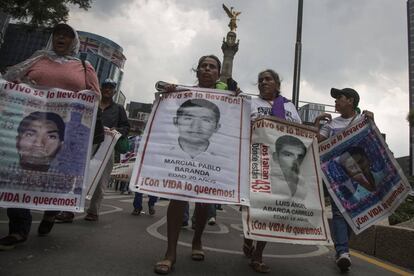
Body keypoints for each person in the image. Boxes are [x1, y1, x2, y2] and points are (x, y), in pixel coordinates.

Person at [0, 23, 100, 250]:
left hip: (63, 130)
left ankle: (50, 212)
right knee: (20, 174)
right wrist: (17, 86)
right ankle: (18, 230)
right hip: (32, 124)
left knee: (57, 173)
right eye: (57, 34)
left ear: (73, 41)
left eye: (66, 35)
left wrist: (80, 96)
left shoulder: (84, 66)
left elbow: (95, 97)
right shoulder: (36, 59)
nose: (61, 38)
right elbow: (11, 79)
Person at [154, 55, 226, 274]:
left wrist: (238, 98)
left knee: (204, 204)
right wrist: (171, 93)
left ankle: (197, 240)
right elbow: (160, 91)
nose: (207, 69)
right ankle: (170, 253)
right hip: (180, 157)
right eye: (203, 66)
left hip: (209, 157)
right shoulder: (182, 93)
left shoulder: (229, 99)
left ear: (218, 73)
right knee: (177, 200)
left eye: (212, 67)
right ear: (197, 71)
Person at [243, 69, 302, 274]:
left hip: (280, 165)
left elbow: (299, 133)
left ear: (277, 84)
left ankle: (258, 254)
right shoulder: (250, 103)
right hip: (256, 161)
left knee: (271, 209)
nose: (263, 82)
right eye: (260, 80)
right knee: (254, 206)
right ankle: (249, 236)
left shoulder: (289, 106)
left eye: (268, 79)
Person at [315, 87, 374, 272]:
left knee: (351, 213)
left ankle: (342, 249)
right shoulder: (331, 125)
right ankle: (343, 252)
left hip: (360, 177)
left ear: (350, 100)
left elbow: (373, 141)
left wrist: (373, 121)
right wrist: (317, 123)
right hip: (337, 177)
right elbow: (317, 141)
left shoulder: (363, 120)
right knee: (340, 212)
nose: (335, 102)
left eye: (339, 98)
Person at [82, 78, 130, 221]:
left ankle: (93, 211)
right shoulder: (93, 103)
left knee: (101, 180)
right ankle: (71, 208)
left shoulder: (119, 109)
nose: (108, 89)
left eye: (111, 87)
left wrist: (118, 130)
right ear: (101, 89)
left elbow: (127, 127)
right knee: (80, 176)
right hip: (87, 143)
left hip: (107, 147)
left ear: (114, 91)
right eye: (105, 87)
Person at [272, 135, 307, 200]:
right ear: (275, 157)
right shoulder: (268, 185)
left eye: (300, 157)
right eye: (288, 155)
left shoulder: (305, 187)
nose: (295, 161)